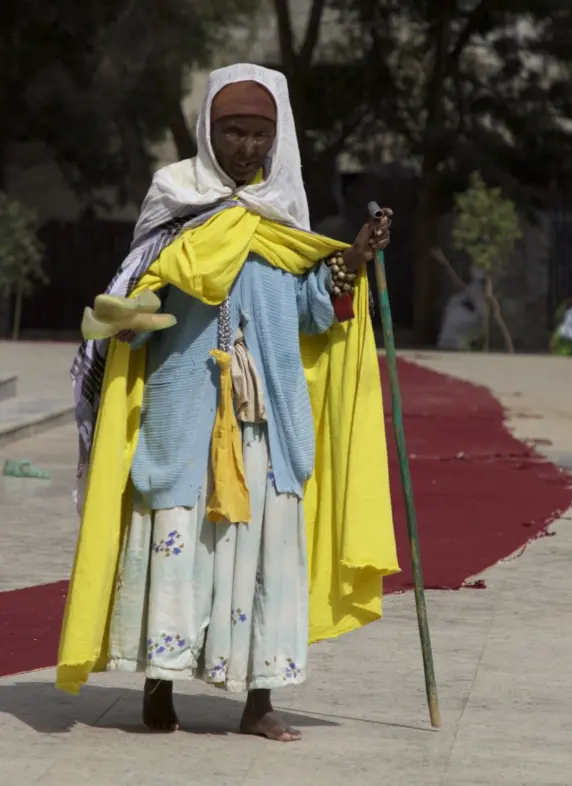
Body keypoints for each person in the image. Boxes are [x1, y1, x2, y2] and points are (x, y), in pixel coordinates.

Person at [57, 64, 399, 742]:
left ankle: (259, 699)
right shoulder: (176, 198)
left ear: (278, 138)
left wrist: (353, 260)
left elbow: (312, 314)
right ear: (208, 132)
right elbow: (141, 290)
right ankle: (159, 687)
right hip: (184, 414)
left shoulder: (285, 217)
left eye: (258, 134)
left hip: (264, 422)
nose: (244, 146)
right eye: (231, 131)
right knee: (175, 547)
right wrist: (125, 319)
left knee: (266, 555)